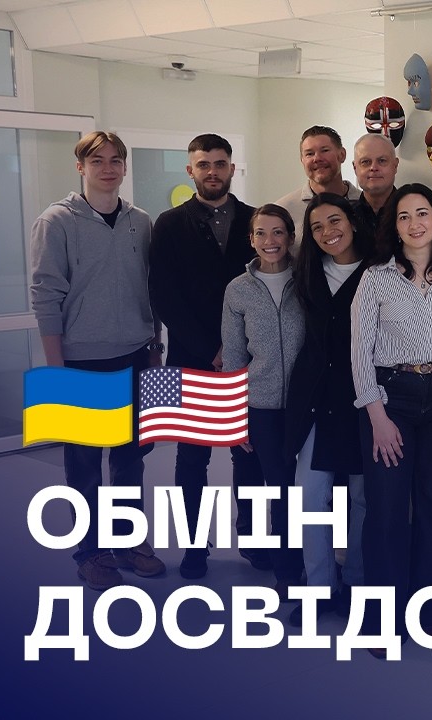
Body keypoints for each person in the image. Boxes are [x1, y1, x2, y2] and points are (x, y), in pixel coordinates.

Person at [28, 130, 166, 589]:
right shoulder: (56, 221)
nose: (108, 168)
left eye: (115, 160)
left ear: (125, 166)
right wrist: (56, 370)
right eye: (97, 160)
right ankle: (90, 552)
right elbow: (45, 295)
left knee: (130, 460)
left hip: (135, 355)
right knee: (84, 465)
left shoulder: (140, 221)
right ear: (81, 167)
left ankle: (127, 539)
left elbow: (149, 288)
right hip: (81, 361)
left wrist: (155, 346)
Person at [351, 183, 432, 654]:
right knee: (386, 513)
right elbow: (360, 351)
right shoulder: (375, 278)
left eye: (422, 213)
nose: (414, 223)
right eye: (403, 216)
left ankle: (430, 612)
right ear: (394, 227)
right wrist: (376, 416)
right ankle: (381, 620)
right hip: (390, 399)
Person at [149, 132, 264, 579]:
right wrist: (210, 348)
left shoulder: (256, 220)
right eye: (203, 164)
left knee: (249, 456)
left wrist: (235, 349)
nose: (212, 172)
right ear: (190, 170)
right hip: (189, 358)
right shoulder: (168, 224)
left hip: (249, 360)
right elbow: (163, 295)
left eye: (219, 163)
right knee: (191, 459)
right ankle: (194, 547)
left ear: (232, 168)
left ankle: (253, 540)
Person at [285, 193, 370, 621]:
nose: (327, 232)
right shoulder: (306, 274)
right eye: (316, 227)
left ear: (352, 221)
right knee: (310, 497)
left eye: (334, 221)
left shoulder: (379, 270)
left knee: (363, 497)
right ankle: (318, 586)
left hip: (364, 399)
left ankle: (355, 581)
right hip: (315, 400)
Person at [220, 204, 306, 594]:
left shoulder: (308, 280)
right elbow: (234, 356)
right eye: (261, 233)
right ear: (251, 239)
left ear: (290, 236)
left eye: (277, 232)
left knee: (306, 489)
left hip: (305, 405)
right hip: (261, 406)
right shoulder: (238, 289)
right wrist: (234, 416)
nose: (269, 241)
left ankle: (312, 562)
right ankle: (287, 571)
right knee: (279, 487)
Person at [275, 126, 362, 245]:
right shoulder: (283, 211)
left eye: (325, 150)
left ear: (342, 154)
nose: (317, 158)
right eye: (309, 154)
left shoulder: (364, 203)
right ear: (302, 160)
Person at [351, 133, 399, 243]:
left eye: (382, 160)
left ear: (395, 165)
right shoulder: (346, 216)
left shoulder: (413, 213)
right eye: (365, 162)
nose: (373, 167)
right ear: (355, 168)